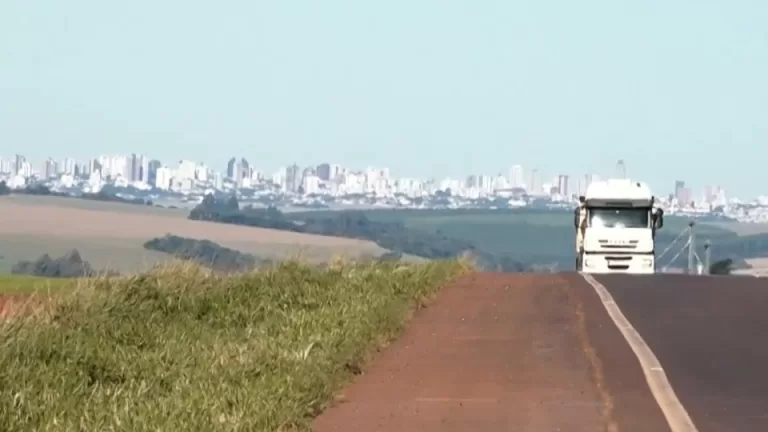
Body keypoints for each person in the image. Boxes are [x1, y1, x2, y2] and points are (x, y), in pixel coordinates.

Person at [574, 196, 587, 270]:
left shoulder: (584, 210)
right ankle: (579, 265)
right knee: (579, 248)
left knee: (580, 248)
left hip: (583, 229)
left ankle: (580, 264)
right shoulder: (579, 210)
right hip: (580, 229)